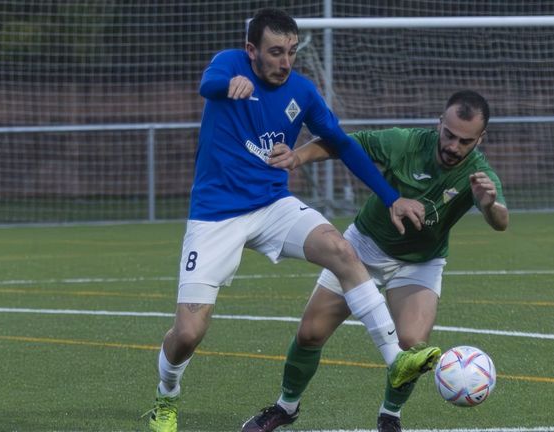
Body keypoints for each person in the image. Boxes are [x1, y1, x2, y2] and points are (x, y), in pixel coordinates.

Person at [144, 8, 441, 432]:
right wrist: (228, 85)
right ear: (251, 50)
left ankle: (396, 359)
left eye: (292, 52)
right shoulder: (229, 64)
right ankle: (166, 395)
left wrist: (391, 197)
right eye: (275, 52)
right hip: (215, 216)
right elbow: (206, 84)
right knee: (189, 332)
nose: (285, 62)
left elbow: (342, 144)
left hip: (272, 206)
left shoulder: (301, 91)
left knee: (341, 250)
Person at [241, 90, 508, 432]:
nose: (453, 146)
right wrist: (298, 157)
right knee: (309, 334)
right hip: (362, 249)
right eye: (449, 134)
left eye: (465, 141)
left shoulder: (479, 175)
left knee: (412, 347)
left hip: (420, 264)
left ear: (480, 139)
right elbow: (342, 144)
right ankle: (285, 407)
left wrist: (488, 205)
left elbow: (501, 221)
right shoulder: (405, 143)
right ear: (439, 123)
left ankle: (390, 417)